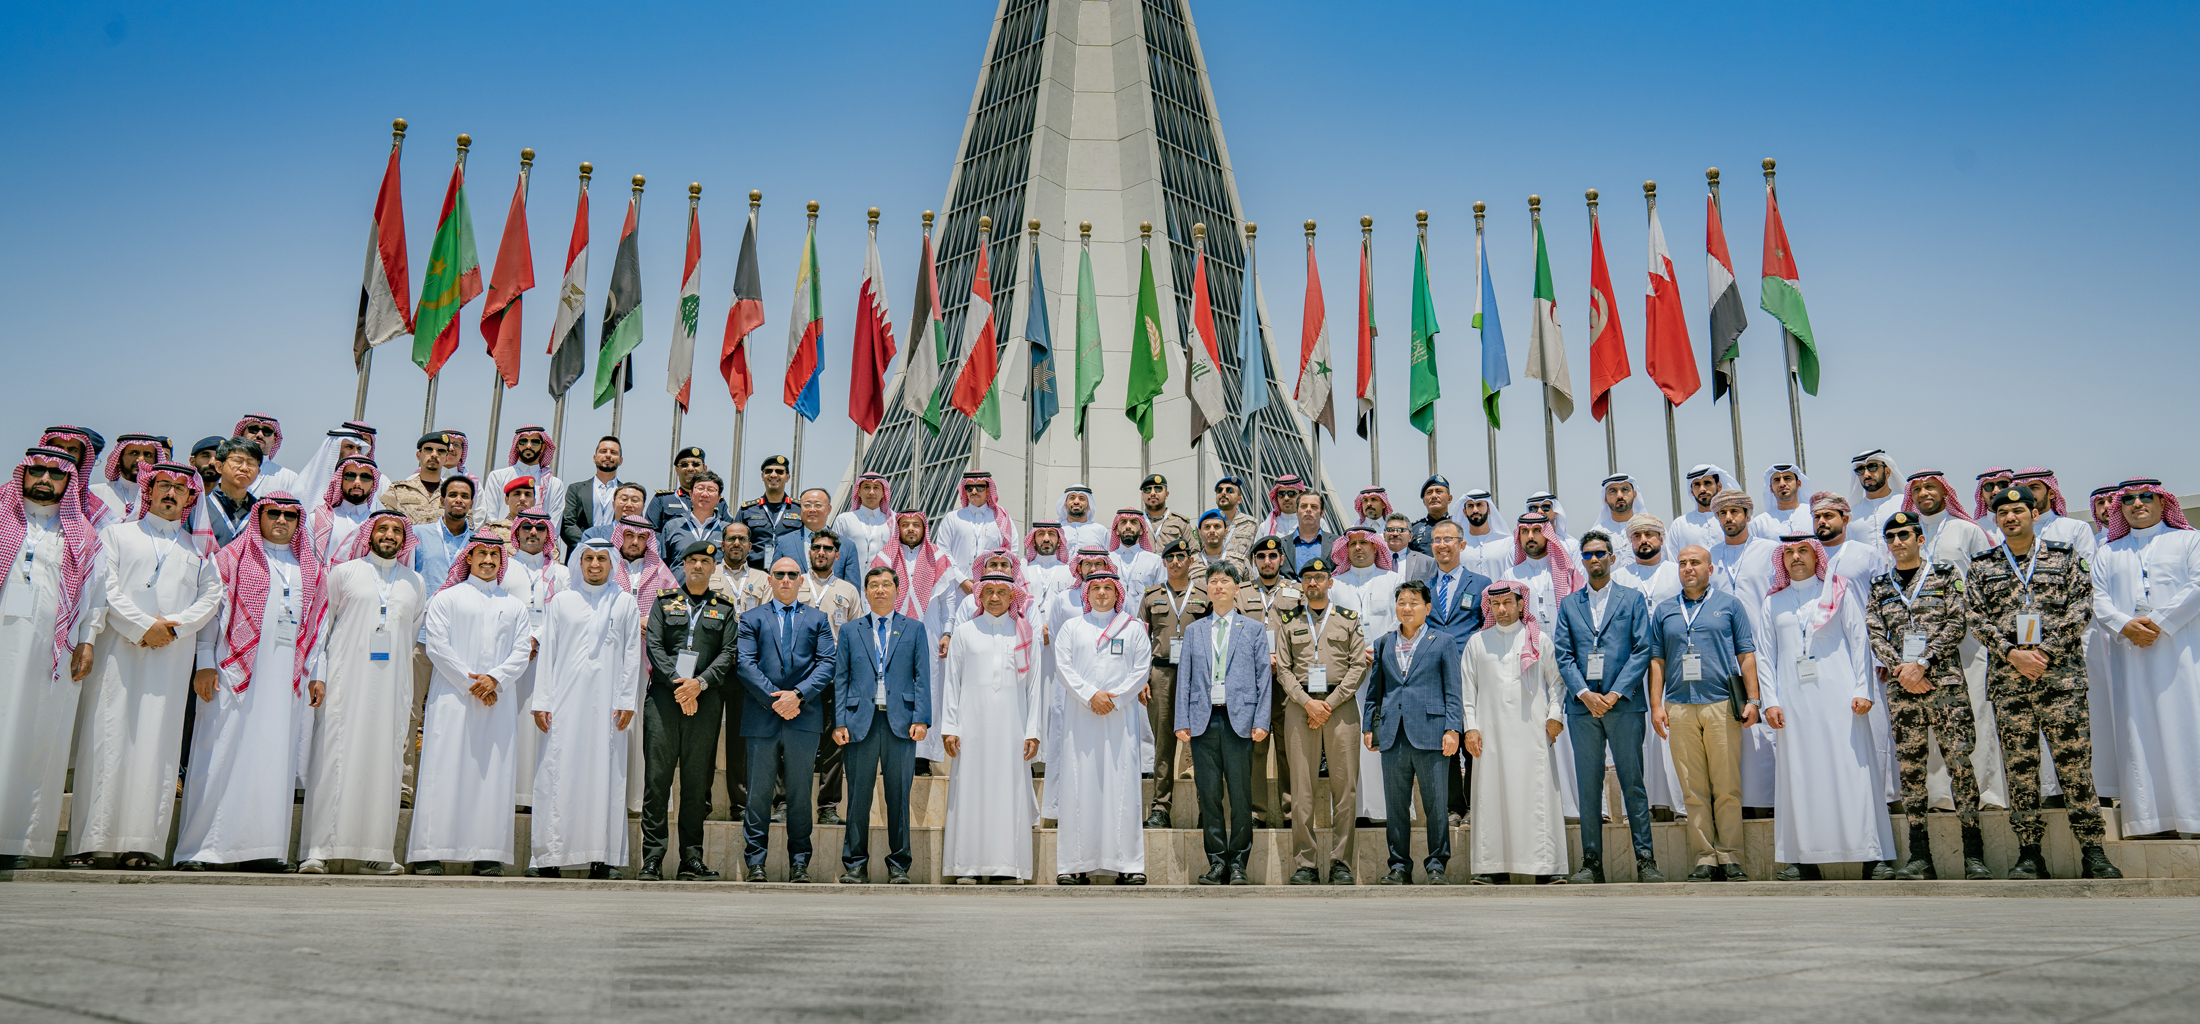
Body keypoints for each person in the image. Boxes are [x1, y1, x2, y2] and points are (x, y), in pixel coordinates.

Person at [64, 463, 224, 869]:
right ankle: (89, 842)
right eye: (163, 486)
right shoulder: (117, 535)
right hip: (118, 653)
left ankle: (142, 844)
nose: (171, 494)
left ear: (191, 498)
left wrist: (174, 629)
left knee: (158, 745)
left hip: (171, 658)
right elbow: (105, 588)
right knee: (106, 737)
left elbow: (211, 597)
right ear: (148, 491)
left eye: (179, 489)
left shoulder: (199, 549)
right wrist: (143, 627)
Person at [1963, 486, 2117, 880]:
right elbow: (1974, 616)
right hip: (2010, 683)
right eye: (2003, 513)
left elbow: (2083, 604)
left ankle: (2093, 852)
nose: (2010, 517)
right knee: (2020, 769)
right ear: (1995, 519)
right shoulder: (1982, 566)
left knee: (2075, 768)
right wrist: (2013, 653)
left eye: (2018, 510)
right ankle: (2030, 853)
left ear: (2035, 513)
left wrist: (2044, 652)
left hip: (2060, 680)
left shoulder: (2065, 559)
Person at [173, 494, 325, 872]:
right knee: (220, 754)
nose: (282, 520)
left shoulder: (311, 569)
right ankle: (202, 849)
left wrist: (316, 675)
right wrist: (205, 663)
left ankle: (260, 849)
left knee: (273, 759)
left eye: (291, 515)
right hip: (233, 674)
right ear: (260, 516)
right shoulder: (231, 557)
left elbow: (319, 630)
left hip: (286, 678)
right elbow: (210, 616)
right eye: (273, 513)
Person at [1863, 510, 1989, 881]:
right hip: (1903, 690)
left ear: (1920, 539)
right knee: (1912, 772)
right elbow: (1874, 632)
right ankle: (1921, 857)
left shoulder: (1946, 575)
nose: (1898, 542)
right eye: (1891, 537)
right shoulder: (1880, 585)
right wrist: (1904, 670)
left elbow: (1957, 621)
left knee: (1960, 767)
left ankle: (1974, 856)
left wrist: (1923, 661)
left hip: (1944, 683)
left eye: (1905, 534)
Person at [1760, 534, 1895, 881]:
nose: (1795, 558)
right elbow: (1764, 655)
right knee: (1800, 777)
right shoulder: (1772, 602)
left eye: (1802, 550)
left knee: (1853, 773)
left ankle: (1872, 856)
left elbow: (1858, 640)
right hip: (1793, 704)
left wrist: (1864, 689)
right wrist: (1770, 701)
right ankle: (1802, 858)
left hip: (1842, 700)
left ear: (1816, 555)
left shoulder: (1837, 591)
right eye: (1788, 553)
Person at [296, 511, 424, 875]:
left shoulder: (414, 582)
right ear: (369, 534)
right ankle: (318, 849)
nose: (388, 535)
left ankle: (377, 851)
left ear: (404, 539)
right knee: (334, 757)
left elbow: (409, 636)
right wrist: (319, 674)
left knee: (383, 761)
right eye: (382, 528)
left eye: (396, 531)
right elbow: (324, 626)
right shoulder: (344, 573)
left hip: (391, 687)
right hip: (344, 679)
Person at [406, 536, 533, 875]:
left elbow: (522, 651)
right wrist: (472, 682)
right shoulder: (446, 598)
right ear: (470, 558)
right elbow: (437, 646)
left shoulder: (515, 606)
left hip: (498, 702)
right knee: (442, 770)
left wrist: (495, 679)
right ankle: (429, 852)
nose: (488, 560)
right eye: (482, 554)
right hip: (453, 699)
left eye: (494, 554)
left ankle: (488, 853)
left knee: (492, 774)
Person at [0, 448, 100, 869]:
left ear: (68, 483)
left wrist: (88, 640)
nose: (44, 479)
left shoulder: (82, 534)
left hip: (50, 655)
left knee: (35, 738)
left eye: (55, 474)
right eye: (36, 471)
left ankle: (14, 840)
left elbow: (96, 598)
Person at [2090, 479, 2200, 844]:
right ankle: (2151, 820)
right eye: (2129, 499)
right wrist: (2126, 626)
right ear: (2119, 507)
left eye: (2146, 497)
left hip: (2181, 655)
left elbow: (2197, 585)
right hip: (2131, 657)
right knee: (2138, 732)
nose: (2138, 504)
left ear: (2162, 501)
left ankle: (2194, 816)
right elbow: (2099, 599)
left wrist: (2159, 623)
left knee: (2188, 727)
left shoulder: (2189, 540)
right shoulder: (2108, 551)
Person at [522, 540, 638, 879]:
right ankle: (548, 858)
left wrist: (626, 700)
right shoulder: (562, 601)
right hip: (564, 704)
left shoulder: (625, 602)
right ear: (580, 563)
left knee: (606, 776)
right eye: (588, 559)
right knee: (557, 774)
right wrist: (542, 701)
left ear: (612, 563)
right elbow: (549, 654)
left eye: (602, 559)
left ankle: (603, 858)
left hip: (610, 708)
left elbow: (632, 654)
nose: (595, 565)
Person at [1648, 544, 1762, 882]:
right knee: (1692, 788)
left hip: (1721, 704)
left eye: (1695, 562)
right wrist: (1657, 705)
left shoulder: (1729, 605)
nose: (1688, 568)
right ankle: (1704, 858)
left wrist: (1753, 699)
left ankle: (1730, 856)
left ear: (1710, 569)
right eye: (1682, 563)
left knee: (1726, 785)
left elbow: (1746, 654)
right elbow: (1657, 660)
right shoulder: (1666, 610)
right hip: (1679, 706)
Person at [1553, 532, 1661, 884]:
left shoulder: (1631, 600)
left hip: (1623, 705)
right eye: (1588, 554)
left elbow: (1642, 649)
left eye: (1600, 553)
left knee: (1633, 782)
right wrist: (1585, 693)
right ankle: (1591, 861)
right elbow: (1563, 655)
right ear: (1581, 560)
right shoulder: (1569, 605)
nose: (1594, 559)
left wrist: (1613, 694)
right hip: (1584, 709)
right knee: (1588, 784)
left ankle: (1646, 860)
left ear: (1612, 558)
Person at [632, 540, 736, 880]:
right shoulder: (664, 602)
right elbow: (655, 645)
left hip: (704, 702)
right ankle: (652, 858)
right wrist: (680, 683)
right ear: (684, 565)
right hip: (664, 700)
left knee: (695, 784)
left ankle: (691, 858)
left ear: (713, 567)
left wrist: (699, 684)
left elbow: (728, 653)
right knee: (657, 781)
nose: (698, 567)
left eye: (704, 562)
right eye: (692, 561)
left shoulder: (724, 607)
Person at [1904, 468, 2006, 811]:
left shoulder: (1967, 530)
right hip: (1920, 645)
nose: (1923, 494)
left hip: (1967, 641)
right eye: (1917, 490)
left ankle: (1985, 792)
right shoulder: (1906, 535)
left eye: (1930, 488)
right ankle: (1940, 795)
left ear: (1945, 492)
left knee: (1976, 713)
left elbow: (1985, 583)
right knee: (1931, 717)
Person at [735, 556, 837, 882]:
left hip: (803, 717)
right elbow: (745, 665)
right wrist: (776, 700)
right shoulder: (751, 618)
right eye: (779, 574)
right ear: (769, 579)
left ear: (801, 581)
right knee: (759, 794)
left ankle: (799, 863)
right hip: (762, 716)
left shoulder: (818, 619)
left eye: (793, 574)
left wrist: (798, 695)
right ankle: (756, 863)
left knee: (798, 793)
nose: (786, 580)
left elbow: (827, 664)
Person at [940, 570, 1043, 883]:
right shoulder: (965, 632)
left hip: (1013, 729)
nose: (995, 597)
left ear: (1013, 596)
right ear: (979, 595)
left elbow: (1035, 687)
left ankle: (1006, 868)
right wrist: (950, 727)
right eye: (989, 592)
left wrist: (1033, 732)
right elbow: (952, 683)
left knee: (1008, 794)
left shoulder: (1024, 633)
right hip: (970, 729)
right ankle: (967, 867)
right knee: (970, 792)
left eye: (1002, 592)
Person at [1460, 580, 1566, 884]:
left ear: (1521, 604)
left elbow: (1557, 683)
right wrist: (1471, 728)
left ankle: (1544, 869)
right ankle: (1494, 868)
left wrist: (1555, 715)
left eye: (1508, 603)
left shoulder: (1539, 640)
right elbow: (1468, 692)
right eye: (1496, 605)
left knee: (1537, 797)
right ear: (1489, 607)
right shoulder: (1477, 643)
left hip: (1533, 733)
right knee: (1491, 796)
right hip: (1489, 735)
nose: (1502, 609)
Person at [1173, 563, 1271, 885]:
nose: (1218, 586)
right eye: (1213, 581)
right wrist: (1181, 720)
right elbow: (1184, 679)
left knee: (1241, 795)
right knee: (1209, 795)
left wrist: (1262, 720)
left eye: (1224, 581)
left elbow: (1263, 679)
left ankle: (1239, 862)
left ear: (1236, 588)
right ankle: (1216, 862)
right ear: (1207, 589)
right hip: (1203, 721)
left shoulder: (1253, 629)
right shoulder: (1194, 631)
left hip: (1239, 721)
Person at [836, 566, 934, 883]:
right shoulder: (852, 631)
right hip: (859, 722)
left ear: (896, 591)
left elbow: (922, 678)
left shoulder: (914, 629)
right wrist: (840, 721)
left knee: (899, 797)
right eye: (874, 585)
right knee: (858, 799)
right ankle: (855, 864)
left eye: (886, 584)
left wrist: (921, 718)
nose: (880, 590)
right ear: (865, 592)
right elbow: (842, 679)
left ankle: (899, 865)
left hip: (901, 725)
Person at [1051, 570, 1150, 884]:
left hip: (1121, 721)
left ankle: (1129, 865)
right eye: (1096, 588)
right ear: (1087, 593)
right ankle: (1073, 865)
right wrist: (1090, 695)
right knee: (1079, 786)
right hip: (1080, 720)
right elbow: (1062, 666)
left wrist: (1115, 700)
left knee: (1123, 788)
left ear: (1117, 592)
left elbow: (1141, 670)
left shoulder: (1132, 629)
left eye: (1108, 588)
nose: (1102, 593)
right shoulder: (1071, 627)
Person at [1272, 557, 1367, 884]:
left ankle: (1341, 862)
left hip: (1339, 707)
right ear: (1301, 583)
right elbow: (1283, 668)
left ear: (1330, 582)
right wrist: (1307, 703)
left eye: (1320, 577)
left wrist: (1328, 703)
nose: (1313, 583)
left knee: (1346, 789)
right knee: (1301, 790)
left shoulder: (1348, 619)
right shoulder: (1288, 620)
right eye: (1308, 578)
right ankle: (1306, 863)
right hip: (1301, 708)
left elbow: (1358, 665)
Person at [1361, 580, 1462, 884]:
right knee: (1396, 805)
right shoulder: (1383, 643)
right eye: (1402, 602)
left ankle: (1436, 865)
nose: (1407, 608)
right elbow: (1374, 691)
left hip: (1432, 732)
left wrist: (1452, 728)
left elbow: (1453, 690)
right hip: (1393, 734)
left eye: (1414, 602)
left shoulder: (1442, 641)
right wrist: (1369, 725)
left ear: (1427, 608)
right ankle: (1399, 866)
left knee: (1435, 804)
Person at [1705, 489, 1781, 813]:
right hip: (1727, 655)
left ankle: (1776, 802)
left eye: (1735, 512)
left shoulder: (1770, 551)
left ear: (1748, 516)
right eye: (1722, 514)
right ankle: (1747, 805)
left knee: (1771, 725)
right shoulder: (1711, 555)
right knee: (1740, 727)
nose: (1729, 518)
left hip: (1766, 648)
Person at [874, 509, 960, 768]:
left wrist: (947, 632)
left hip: (930, 632)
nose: (911, 529)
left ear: (924, 529)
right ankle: (894, 748)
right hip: (892, 631)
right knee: (894, 686)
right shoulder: (885, 557)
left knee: (928, 687)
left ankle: (922, 755)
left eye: (916, 525)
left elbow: (950, 601)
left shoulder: (940, 557)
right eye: (905, 525)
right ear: (898, 529)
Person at [1234, 536, 1305, 828]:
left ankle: (1291, 813)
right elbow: (1237, 632)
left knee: (1289, 747)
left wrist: (1281, 660)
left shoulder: (1297, 592)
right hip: (1253, 681)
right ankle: (1256, 812)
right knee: (1256, 747)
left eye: (1272, 556)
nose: (1267, 561)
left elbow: (1304, 631)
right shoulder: (1241, 593)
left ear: (1281, 560)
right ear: (1254, 561)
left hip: (1287, 680)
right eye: (1261, 556)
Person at [792, 527, 862, 824]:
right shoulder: (793, 583)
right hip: (798, 676)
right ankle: (785, 803)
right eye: (816, 547)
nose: (821, 552)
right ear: (810, 551)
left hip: (834, 676)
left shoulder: (848, 590)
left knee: (835, 743)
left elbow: (857, 634)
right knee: (793, 741)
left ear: (837, 554)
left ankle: (828, 806)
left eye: (827, 549)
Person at [1138, 539, 1209, 828]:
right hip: (1162, 675)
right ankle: (1160, 809)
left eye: (1181, 556)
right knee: (1163, 744)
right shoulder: (1150, 596)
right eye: (1171, 557)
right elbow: (1140, 641)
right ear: (1164, 562)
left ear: (1190, 561)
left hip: (1197, 676)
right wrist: (1144, 677)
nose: (1176, 562)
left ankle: (1207, 808)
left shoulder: (1205, 595)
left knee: (1202, 742)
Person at [1331, 526, 1404, 643]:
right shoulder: (1334, 584)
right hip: (1345, 655)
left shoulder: (1394, 580)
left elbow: (1400, 618)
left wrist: (1379, 648)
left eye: (1363, 542)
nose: (1357, 547)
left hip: (1383, 653)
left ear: (1375, 547)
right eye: (1352, 544)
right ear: (1347, 549)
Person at [774, 488, 861, 586]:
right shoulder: (784, 543)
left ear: (829, 509)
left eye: (818, 505)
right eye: (807, 505)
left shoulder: (847, 546)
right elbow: (775, 581)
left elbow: (852, 590)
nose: (812, 509)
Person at [483, 425, 562, 527]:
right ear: (517, 445)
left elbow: (554, 525)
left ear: (542, 447)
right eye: (523, 441)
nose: (528, 446)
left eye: (534, 442)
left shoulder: (554, 484)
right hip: (501, 539)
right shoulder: (497, 477)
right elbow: (491, 518)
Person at [306, 455, 382, 563]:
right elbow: (308, 563)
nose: (357, 482)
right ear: (339, 481)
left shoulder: (379, 523)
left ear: (373, 484)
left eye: (365, 477)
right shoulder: (317, 518)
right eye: (350, 476)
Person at [940, 471, 1019, 572]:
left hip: (993, 584)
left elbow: (1012, 552)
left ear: (988, 490)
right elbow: (943, 552)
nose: (974, 491)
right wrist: (962, 581)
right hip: (957, 585)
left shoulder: (1002, 518)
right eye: (969, 488)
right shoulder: (952, 518)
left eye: (979, 487)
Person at [734, 455, 803, 567]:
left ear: (788, 477)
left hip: (789, 574)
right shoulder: (747, 510)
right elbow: (735, 540)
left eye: (779, 472)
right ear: (762, 476)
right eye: (769, 471)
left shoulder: (799, 510)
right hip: (754, 572)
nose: (773, 474)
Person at [560, 436, 627, 552]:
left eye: (613, 452)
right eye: (603, 451)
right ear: (594, 458)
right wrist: (588, 546)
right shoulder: (576, 489)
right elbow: (567, 524)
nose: (608, 455)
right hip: (580, 555)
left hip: (616, 557)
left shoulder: (627, 493)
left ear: (620, 460)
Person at [90, 433, 170, 521]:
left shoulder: (164, 498)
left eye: (148, 455)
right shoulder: (95, 493)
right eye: (134, 453)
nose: (141, 460)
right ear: (118, 459)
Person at [381, 432, 455, 525]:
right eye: (428, 449)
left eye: (441, 451)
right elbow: (382, 522)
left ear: (447, 459)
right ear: (418, 455)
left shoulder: (453, 494)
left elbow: (466, 529)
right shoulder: (397, 490)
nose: (434, 454)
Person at [203, 439, 264, 549]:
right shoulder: (199, 508)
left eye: (251, 463)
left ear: (258, 472)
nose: (244, 468)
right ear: (219, 467)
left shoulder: (262, 513)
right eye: (237, 461)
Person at [661, 471, 733, 565]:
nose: (704, 494)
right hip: (679, 580)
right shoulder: (672, 527)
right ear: (691, 494)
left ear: (719, 498)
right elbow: (662, 565)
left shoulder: (727, 530)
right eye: (700, 488)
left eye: (711, 490)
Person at [833, 471, 895, 571]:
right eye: (866, 487)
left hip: (882, 583)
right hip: (851, 582)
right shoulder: (844, 520)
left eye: (876, 487)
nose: (871, 492)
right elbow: (835, 554)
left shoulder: (892, 521)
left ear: (883, 493)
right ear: (858, 492)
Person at [1671, 464, 1738, 554]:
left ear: (1719, 486)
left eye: (1707, 483)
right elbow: (1672, 562)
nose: (1702, 489)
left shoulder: (1734, 520)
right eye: (1697, 485)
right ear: (1692, 491)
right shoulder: (1680, 525)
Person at [644, 446, 711, 532]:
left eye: (696, 464)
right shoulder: (662, 500)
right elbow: (651, 532)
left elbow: (727, 531)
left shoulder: (717, 501)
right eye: (684, 464)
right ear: (677, 470)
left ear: (704, 469)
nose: (690, 468)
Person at [1847, 448, 1906, 546]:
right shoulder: (1852, 514)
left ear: (1887, 472)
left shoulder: (1905, 504)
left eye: (1872, 467)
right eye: (1860, 470)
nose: (1866, 474)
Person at [231, 414, 301, 497]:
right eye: (253, 429)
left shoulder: (288, 478)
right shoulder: (226, 469)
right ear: (242, 435)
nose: (259, 435)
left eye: (267, 431)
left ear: (274, 440)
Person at [1452, 488, 1513, 578]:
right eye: (1470, 506)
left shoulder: (1507, 543)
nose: (1475, 510)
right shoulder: (1458, 545)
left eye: (1479, 505)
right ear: (1464, 512)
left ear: (1489, 510)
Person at [1106, 508, 1165, 597]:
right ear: (1117, 530)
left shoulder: (1155, 561)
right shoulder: (1107, 560)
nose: (1128, 526)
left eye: (1133, 522)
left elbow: (1161, 594)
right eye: (1123, 522)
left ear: (1141, 530)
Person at [1750, 463, 1813, 540]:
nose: (1782, 484)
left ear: (1798, 484)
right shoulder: (1760, 523)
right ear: (1771, 488)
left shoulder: (1814, 515)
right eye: (1776, 480)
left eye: (1787, 478)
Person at [1211, 476, 1260, 570]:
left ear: (1239, 499)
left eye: (1229, 491)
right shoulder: (1207, 524)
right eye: (1219, 490)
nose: (1223, 493)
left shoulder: (1251, 524)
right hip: (1213, 579)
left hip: (1241, 580)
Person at [1139, 474, 1193, 553]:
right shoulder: (1135, 522)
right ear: (1143, 495)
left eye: (1158, 489)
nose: (1153, 493)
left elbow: (1194, 553)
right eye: (1147, 490)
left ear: (1166, 494)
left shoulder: (1180, 522)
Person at [1286, 492, 1337, 575]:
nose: (1308, 510)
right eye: (1303, 506)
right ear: (1296, 512)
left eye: (1314, 507)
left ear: (1322, 513)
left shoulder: (1337, 543)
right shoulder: (1282, 545)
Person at [1382, 514, 1437, 583]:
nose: (1395, 534)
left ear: (1410, 536)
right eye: (1390, 530)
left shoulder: (1426, 562)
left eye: (1401, 530)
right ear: (1384, 535)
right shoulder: (1375, 560)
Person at [1409, 475, 1454, 555]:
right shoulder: (1414, 529)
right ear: (1424, 501)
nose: (1434, 496)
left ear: (1449, 499)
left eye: (1439, 491)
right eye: (1429, 492)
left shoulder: (1458, 525)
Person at [1056, 485, 1107, 553]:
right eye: (1072, 498)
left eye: (1081, 498)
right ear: (1065, 504)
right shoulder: (1056, 529)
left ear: (1089, 506)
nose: (1076, 502)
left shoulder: (1100, 530)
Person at [1590, 473, 1643, 539]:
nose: (1619, 495)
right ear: (1605, 499)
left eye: (1625, 490)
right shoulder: (1596, 535)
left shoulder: (1648, 530)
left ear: (1634, 495)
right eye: (1613, 491)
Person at [1260, 475, 1308, 540]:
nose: (1286, 498)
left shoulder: (1316, 523)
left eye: (1291, 494)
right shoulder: (1265, 527)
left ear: (1301, 496)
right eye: (1281, 494)